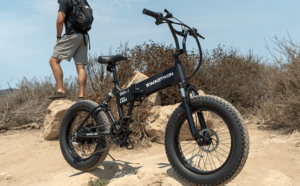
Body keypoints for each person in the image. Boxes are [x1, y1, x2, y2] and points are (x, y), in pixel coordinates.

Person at [47, 0, 92, 101]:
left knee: (53, 61)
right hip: (84, 36)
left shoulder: (65, 0)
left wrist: (58, 37)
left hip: (72, 35)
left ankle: (60, 90)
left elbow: (60, 20)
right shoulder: (82, 1)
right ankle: (81, 96)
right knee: (81, 67)